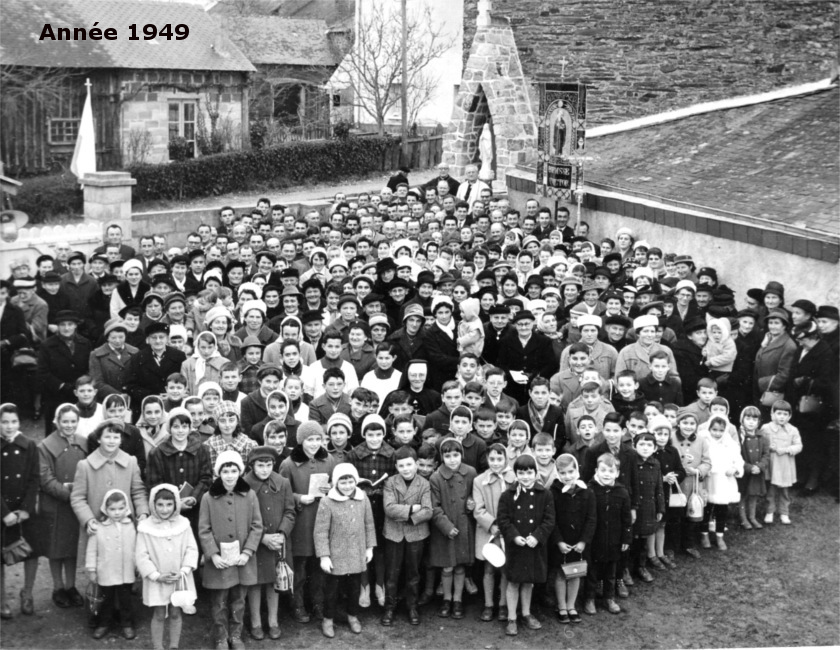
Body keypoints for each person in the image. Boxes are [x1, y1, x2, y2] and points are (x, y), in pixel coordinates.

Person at [198, 450, 264, 650]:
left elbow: (257, 525)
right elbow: (204, 529)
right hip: (219, 562)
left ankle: (235, 636)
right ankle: (220, 637)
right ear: (219, 473)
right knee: (219, 602)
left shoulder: (250, 495)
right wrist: (213, 555)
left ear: (240, 472)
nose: (229, 475)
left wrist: (247, 552)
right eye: (225, 471)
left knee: (238, 600)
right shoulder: (208, 498)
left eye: (233, 470)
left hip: (242, 560)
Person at [278, 421, 337, 622]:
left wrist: (330, 490)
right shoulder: (288, 464)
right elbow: (282, 493)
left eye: (318, 439)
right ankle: (297, 605)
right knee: (300, 567)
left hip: (322, 520)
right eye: (309, 440)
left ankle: (318, 604)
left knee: (319, 567)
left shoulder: (329, 460)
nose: (314, 444)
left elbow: (335, 485)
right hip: (301, 522)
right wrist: (299, 498)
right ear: (301, 441)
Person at [314, 462, 377, 638]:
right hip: (336, 554)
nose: (347, 486)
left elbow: (369, 524)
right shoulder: (327, 501)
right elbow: (320, 531)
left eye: (350, 482)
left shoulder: (362, 498)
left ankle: (352, 616)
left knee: (354, 588)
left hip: (357, 553)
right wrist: (324, 556)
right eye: (343, 482)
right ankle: (328, 619)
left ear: (355, 481)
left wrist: (369, 547)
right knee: (331, 590)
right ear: (336, 483)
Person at [35, 403, 88, 609]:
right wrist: (70, 493)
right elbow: (45, 479)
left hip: (75, 505)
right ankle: (58, 587)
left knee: (72, 546)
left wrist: (79, 494)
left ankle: (71, 585)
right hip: (56, 504)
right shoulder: (45, 446)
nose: (69, 425)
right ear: (56, 421)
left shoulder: (83, 443)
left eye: (73, 421)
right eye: (64, 421)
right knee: (55, 547)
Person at [497, 453, 555, 636]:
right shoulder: (508, 495)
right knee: (513, 581)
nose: (525, 476)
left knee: (529, 581)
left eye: (529, 472)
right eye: (521, 472)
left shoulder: (544, 494)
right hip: (516, 546)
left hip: (534, 546)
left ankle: (526, 613)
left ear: (536, 473)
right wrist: (514, 536)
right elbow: (503, 520)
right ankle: (512, 617)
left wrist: (537, 536)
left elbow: (549, 520)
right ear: (515, 474)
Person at [135, 484, 199, 650]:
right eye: (160, 505)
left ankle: (173, 646)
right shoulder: (145, 528)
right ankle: (158, 646)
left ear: (176, 504)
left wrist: (184, 570)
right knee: (158, 613)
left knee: (176, 612)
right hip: (158, 580)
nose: (164, 509)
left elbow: (192, 549)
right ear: (153, 505)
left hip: (179, 578)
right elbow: (141, 556)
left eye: (169, 504)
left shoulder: (183, 524)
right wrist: (156, 575)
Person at [243, 446, 296, 641]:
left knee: (274, 580)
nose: (264, 469)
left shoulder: (282, 482)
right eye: (260, 465)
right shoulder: (244, 484)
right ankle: (256, 621)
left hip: (278, 542)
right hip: (256, 543)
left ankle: (273, 621)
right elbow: (243, 517)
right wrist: (262, 538)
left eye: (268, 465)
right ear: (252, 465)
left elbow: (290, 511)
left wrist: (282, 533)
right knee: (255, 582)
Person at [428, 437, 476, 620]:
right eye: (448, 456)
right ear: (442, 457)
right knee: (447, 567)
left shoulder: (470, 472)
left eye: (456, 455)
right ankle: (446, 599)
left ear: (461, 455)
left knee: (460, 567)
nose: (453, 459)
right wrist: (446, 526)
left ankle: (458, 599)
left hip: (464, 527)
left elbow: (474, 492)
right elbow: (434, 506)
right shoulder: (436, 477)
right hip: (446, 530)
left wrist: (472, 502)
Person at [0, 403, 40, 619]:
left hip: (24, 511)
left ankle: (28, 593)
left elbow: (35, 478)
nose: (9, 426)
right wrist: (4, 512)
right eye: (4, 422)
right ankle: (1, 599)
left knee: (30, 552)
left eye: (13, 421)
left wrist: (25, 509)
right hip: (2, 512)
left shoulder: (30, 445)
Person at [549, 453, 596, 625]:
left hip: (579, 543)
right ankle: (561, 606)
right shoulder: (553, 493)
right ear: (558, 473)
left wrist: (584, 541)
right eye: (563, 473)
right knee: (561, 573)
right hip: (562, 542)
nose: (567, 476)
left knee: (576, 573)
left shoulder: (587, 492)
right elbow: (551, 519)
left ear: (577, 470)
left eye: (571, 471)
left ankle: (571, 605)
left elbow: (591, 518)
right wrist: (559, 541)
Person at [86, 488, 138, 640]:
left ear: (126, 507)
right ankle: (103, 624)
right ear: (105, 509)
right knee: (106, 601)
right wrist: (92, 569)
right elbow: (91, 550)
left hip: (125, 571)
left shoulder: (130, 526)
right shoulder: (99, 527)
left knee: (125, 600)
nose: (117, 512)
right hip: (106, 571)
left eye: (121, 508)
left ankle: (126, 624)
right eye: (112, 509)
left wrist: (137, 566)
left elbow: (135, 548)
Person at [583, 453, 632, 616]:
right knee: (592, 570)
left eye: (611, 471)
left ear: (617, 473)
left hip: (614, 539)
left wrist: (626, 537)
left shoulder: (622, 492)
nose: (606, 474)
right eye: (603, 470)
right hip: (594, 538)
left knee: (611, 570)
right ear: (596, 470)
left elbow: (626, 518)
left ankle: (609, 597)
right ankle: (589, 598)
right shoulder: (589, 490)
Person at [472, 442, 514, 623]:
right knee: (489, 568)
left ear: (506, 459)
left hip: (509, 531)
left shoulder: (514, 478)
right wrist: (492, 525)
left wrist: (507, 527)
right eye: (492, 459)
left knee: (505, 569)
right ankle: (489, 604)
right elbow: (478, 509)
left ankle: (503, 604)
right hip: (489, 532)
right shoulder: (479, 480)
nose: (496, 463)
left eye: (500, 459)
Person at [36, 310, 93, 434]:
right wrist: (62, 386)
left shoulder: (85, 343)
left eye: (70, 324)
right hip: (55, 395)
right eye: (62, 324)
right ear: (57, 326)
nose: (66, 328)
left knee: (80, 430)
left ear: (76, 325)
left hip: (79, 394)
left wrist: (81, 386)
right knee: (55, 430)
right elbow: (42, 372)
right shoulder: (47, 345)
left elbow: (89, 368)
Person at [703, 415, 744, 550]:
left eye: (721, 430)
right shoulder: (704, 440)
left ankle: (720, 535)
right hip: (709, 479)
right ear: (709, 429)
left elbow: (738, 460)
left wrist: (735, 468)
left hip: (723, 480)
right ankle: (704, 534)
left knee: (722, 509)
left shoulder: (730, 443)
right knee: (706, 507)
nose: (717, 433)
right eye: (714, 430)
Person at [761, 400, 802, 525]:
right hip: (772, 465)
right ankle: (770, 511)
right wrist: (769, 447)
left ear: (789, 416)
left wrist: (786, 450)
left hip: (785, 465)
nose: (782, 417)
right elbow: (761, 444)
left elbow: (799, 445)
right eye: (779, 413)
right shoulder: (766, 428)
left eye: (785, 414)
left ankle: (784, 512)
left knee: (784, 491)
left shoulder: (793, 430)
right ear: (772, 414)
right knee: (771, 490)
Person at [630, 433, 665, 580]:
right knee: (631, 538)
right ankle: (626, 569)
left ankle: (641, 566)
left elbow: (659, 488)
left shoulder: (656, 464)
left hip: (649, 507)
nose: (645, 448)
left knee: (644, 538)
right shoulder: (631, 463)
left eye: (649, 445)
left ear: (655, 448)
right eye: (642, 444)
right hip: (635, 507)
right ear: (634, 446)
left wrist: (660, 508)